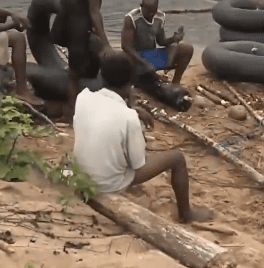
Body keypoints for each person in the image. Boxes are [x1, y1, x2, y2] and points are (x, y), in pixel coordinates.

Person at [73, 52, 215, 223]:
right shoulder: (128, 117)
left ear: (102, 77)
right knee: (177, 158)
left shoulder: (83, 97)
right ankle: (186, 214)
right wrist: (136, 123)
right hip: (108, 185)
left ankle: (68, 177)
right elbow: (137, 163)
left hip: (81, 176)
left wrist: (132, 109)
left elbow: (109, 110)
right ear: (130, 85)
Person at [58, 0, 116, 121]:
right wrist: (105, 43)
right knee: (78, 73)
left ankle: (70, 112)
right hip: (81, 29)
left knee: (74, 72)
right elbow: (94, 11)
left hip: (67, 25)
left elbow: (65, 1)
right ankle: (73, 116)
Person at [121, 0, 194, 84]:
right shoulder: (132, 18)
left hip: (152, 56)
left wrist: (173, 39)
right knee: (126, 63)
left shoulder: (159, 16)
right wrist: (144, 63)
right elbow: (126, 47)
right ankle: (144, 76)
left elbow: (161, 41)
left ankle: (175, 82)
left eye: (153, 11)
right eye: (148, 11)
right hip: (136, 58)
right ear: (141, 6)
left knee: (186, 49)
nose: (151, 14)